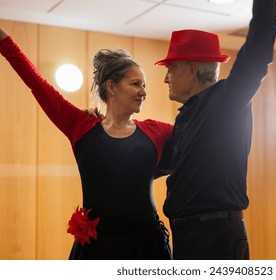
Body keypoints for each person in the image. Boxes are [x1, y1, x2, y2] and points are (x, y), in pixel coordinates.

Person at [0, 27, 173, 260]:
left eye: (144, 86)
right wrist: (5, 41)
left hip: (147, 245)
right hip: (98, 248)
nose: (143, 92)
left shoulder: (157, 131)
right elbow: (36, 83)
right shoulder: (80, 125)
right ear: (111, 87)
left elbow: (201, 139)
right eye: (136, 84)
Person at [154, 0, 276, 259]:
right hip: (190, 236)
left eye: (170, 69)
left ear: (191, 69)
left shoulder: (226, 100)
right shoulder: (187, 115)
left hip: (215, 237)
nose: (166, 78)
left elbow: (257, 51)